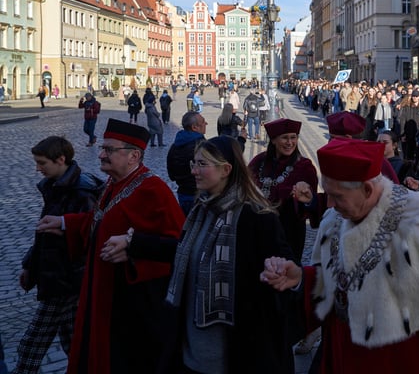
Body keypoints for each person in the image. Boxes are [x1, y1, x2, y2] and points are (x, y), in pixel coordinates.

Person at [261, 138, 419, 374]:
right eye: (328, 194)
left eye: (337, 196)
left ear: (367, 189)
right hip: (344, 353)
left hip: (403, 358)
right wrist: (301, 278)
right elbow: (334, 281)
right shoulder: (333, 219)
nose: (329, 203)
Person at [102, 136, 300, 372]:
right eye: (193, 164)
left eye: (202, 165)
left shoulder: (256, 217)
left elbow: (285, 269)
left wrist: (283, 273)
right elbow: (188, 252)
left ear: (226, 169)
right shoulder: (203, 208)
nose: (194, 171)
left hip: (235, 350)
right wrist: (134, 243)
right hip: (192, 345)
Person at [35, 119, 185, 374]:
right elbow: (100, 221)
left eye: (109, 150)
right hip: (103, 289)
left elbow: (177, 246)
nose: (101, 155)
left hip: (133, 305)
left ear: (133, 155)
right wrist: (64, 223)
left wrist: (133, 248)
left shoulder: (153, 190)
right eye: (102, 148)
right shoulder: (114, 184)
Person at [15, 137, 103, 374]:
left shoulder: (82, 190)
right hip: (59, 275)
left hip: (67, 279)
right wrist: (29, 266)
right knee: (73, 341)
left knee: (32, 344)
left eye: (42, 163)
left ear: (61, 159)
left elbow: (91, 236)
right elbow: (44, 235)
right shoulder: (56, 185)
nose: (37, 168)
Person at [248, 118, 320, 262]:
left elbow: (311, 204)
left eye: (293, 137)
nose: (289, 142)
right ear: (273, 140)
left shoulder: (304, 166)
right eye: (285, 138)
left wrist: (304, 198)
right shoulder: (258, 162)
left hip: (289, 231)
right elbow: (245, 187)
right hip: (258, 230)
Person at [167, 111, 208, 216]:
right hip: (200, 194)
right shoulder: (203, 146)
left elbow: (171, 175)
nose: (206, 124)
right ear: (194, 127)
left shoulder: (174, 146)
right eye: (203, 122)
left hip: (182, 193)